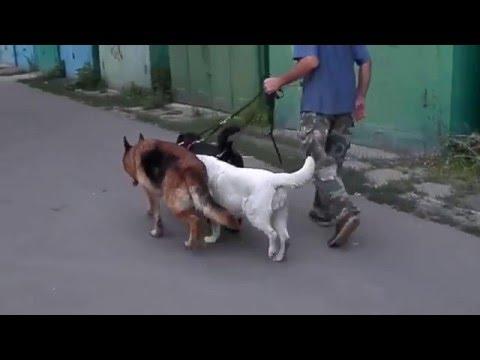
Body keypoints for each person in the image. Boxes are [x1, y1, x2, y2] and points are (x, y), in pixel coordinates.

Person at [264, 45, 372, 248]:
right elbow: (366, 62)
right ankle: (323, 211)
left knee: (317, 161)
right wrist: (360, 96)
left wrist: (279, 81)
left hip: (317, 105)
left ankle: (345, 209)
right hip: (345, 106)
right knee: (333, 159)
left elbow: (311, 61)